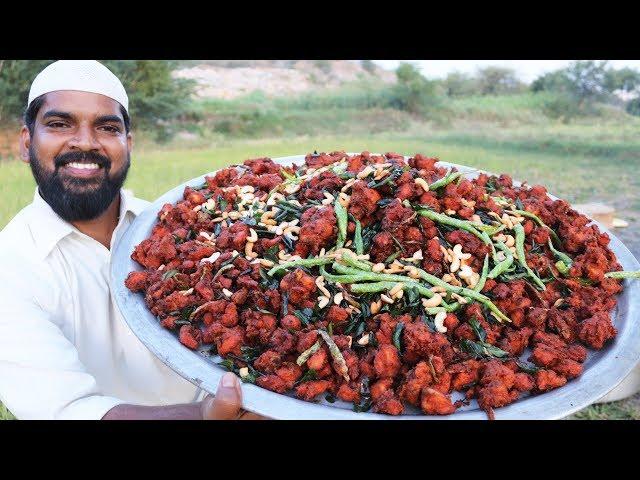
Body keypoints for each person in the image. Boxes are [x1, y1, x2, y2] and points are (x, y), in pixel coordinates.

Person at [0, 60, 262, 420]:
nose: (85, 143)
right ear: (27, 142)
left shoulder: (174, 227)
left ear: (128, 144)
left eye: (107, 128)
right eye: (59, 124)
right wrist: (203, 416)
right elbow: (66, 410)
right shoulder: (11, 264)